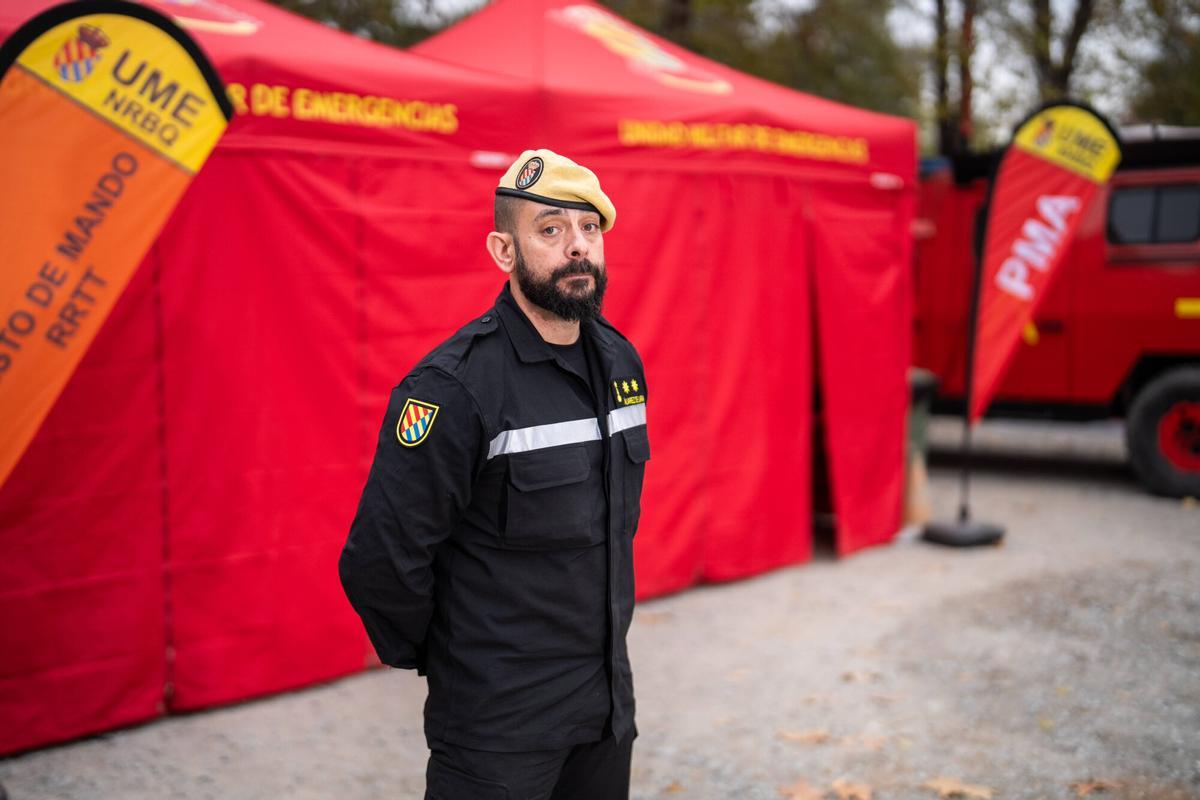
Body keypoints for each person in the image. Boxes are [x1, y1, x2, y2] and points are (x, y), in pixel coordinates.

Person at [339, 149, 650, 800]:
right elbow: (381, 559)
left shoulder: (620, 362)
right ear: (503, 251)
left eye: (589, 229)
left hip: (603, 708)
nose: (576, 247)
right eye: (550, 230)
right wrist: (458, 660)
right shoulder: (453, 388)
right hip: (495, 725)